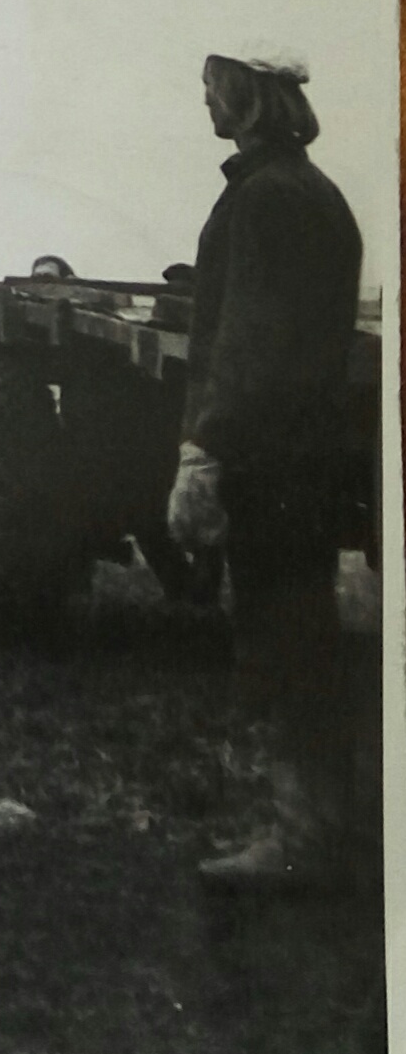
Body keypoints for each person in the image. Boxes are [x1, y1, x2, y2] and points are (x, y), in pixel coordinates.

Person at [167, 51, 363, 892]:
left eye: (214, 82)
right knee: (300, 637)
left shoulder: (264, 199)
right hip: (304, 458)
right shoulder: (311, 192)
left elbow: (246, 341)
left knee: (285, 644)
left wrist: (204, 450)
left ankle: (303, 842)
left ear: (247, 94)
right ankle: (317, 825)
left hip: (270, 463)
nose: (204, 96)